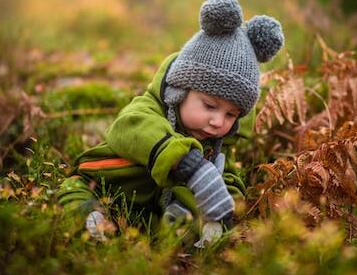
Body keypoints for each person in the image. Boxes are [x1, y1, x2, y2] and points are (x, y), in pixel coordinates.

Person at [57, 0, 284, 242]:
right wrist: (187, 162)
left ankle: (183, 229)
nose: (219, 121)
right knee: (76, 194)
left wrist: (225, 206)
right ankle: (90, 219)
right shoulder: (148, 109)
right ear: (179, 91)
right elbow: (129, 127)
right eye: (209, 106)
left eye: (231, 114)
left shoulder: (216, 143)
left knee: (195, 218)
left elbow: (227, 176)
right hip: (101, 183)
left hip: (148, 211)